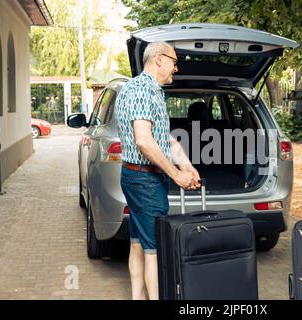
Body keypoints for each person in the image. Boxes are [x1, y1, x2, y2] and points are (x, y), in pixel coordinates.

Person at [115, 41, 201, 300]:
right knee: (155, 251)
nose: (176, 68)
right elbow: (144, 140)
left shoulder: (144, 89)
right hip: (145, 180)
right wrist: (176, 175)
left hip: (135, 177)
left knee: (138, 244)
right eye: (175, 62)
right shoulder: (143, 90)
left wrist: (186, 165)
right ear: (160, 59)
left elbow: (165, 139)